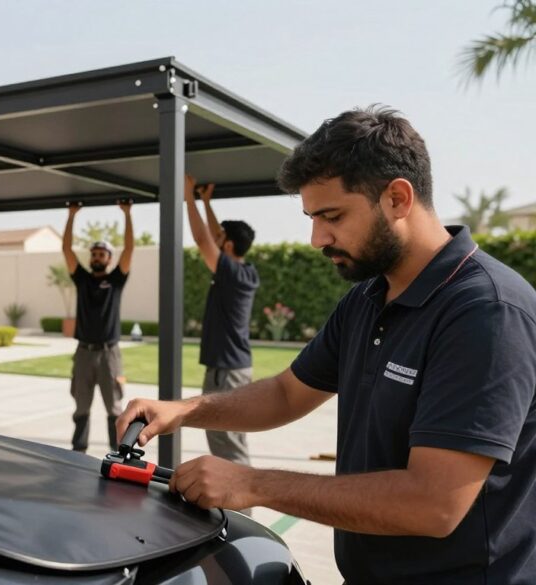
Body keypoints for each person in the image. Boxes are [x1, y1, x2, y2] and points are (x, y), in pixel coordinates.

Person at [117, 106, 536, 584]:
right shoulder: (366, 299)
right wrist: (184, 409)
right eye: (311, 217)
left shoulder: (487, 312)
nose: (317, 238)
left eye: (332, 216)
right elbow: (286, 393)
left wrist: (253, 483)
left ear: (397, 198)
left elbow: (433, 503)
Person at [183, 174, 260, 472]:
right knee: (225, 438)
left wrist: (188, 196)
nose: (215, 240)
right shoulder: (244, 271)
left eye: (221, 239)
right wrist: (205, 201)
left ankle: (241, 511)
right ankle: (236, 506)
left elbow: (204, 238)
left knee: (228, 442)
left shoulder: (232, 274)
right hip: (229, 368)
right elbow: (215, 234)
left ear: (227, 245)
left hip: (227, 372)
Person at [63, 201, 134, 453]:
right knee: (81, 407)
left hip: (109, 354)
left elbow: (129, 248)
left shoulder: (116, 280)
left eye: (101, 254)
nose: (96, 257)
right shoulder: (82, 279)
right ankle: (78, 451)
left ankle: (118, 455)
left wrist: (127, 214)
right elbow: (66, 249)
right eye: (93, 254)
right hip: (83, 353)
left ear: (109, 258)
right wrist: (72, 216)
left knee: (114, 408)